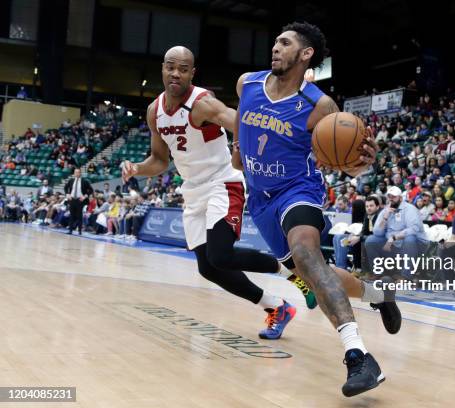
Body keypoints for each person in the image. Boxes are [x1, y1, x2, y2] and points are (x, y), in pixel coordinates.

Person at [231, 22, 401, 396]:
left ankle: (358, 355)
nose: (275, 47)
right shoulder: (248, 84)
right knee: (311, 272)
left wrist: (361, 163)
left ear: (305, 54)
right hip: (260, 200)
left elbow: (347, 161)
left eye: (285, 42)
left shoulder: (319, 105)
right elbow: (241, 134)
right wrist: (239, 150)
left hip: (298, 191)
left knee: (308, 254)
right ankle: (378, 294)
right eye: (276, 41)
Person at [121, 45, 318, 344]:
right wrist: (136, 168)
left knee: (221, 254)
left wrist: (279, 123)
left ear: (192, 73)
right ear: (162, 69)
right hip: (193, 191)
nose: (176, 73)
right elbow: (160, 161)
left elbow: (243, 121)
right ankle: (277, 307)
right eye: (170, 67)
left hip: (223, 183)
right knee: (208, 268)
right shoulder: (154, 112)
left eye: (183, 68)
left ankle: (294, 274)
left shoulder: (203, 104)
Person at [366, 186, 429, 278]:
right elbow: (377, 233)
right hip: (394, 246)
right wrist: (385, 218)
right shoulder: (385, 211)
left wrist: (394, 237)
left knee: (410, 239)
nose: (391, 199)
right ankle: (378, 273)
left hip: (413, 245)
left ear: (400, 198)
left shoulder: (409, 209)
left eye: (394, 197)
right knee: (371, 240)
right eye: (389, 196)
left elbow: (413, 229)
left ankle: (406, 277)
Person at [64, 168, 93, 235]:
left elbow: (91, 190)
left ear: (80, 173)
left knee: (79, 216)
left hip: (80, 200)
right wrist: (67, 194)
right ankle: (70, 230)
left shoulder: (84, 181)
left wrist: (84, 196)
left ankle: (80, 231)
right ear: (74, 173)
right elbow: (66, 187)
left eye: (78, 172)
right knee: (71, 215)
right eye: (75, 172)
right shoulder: (71, 180)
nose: (77, 174)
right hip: (72, 199)